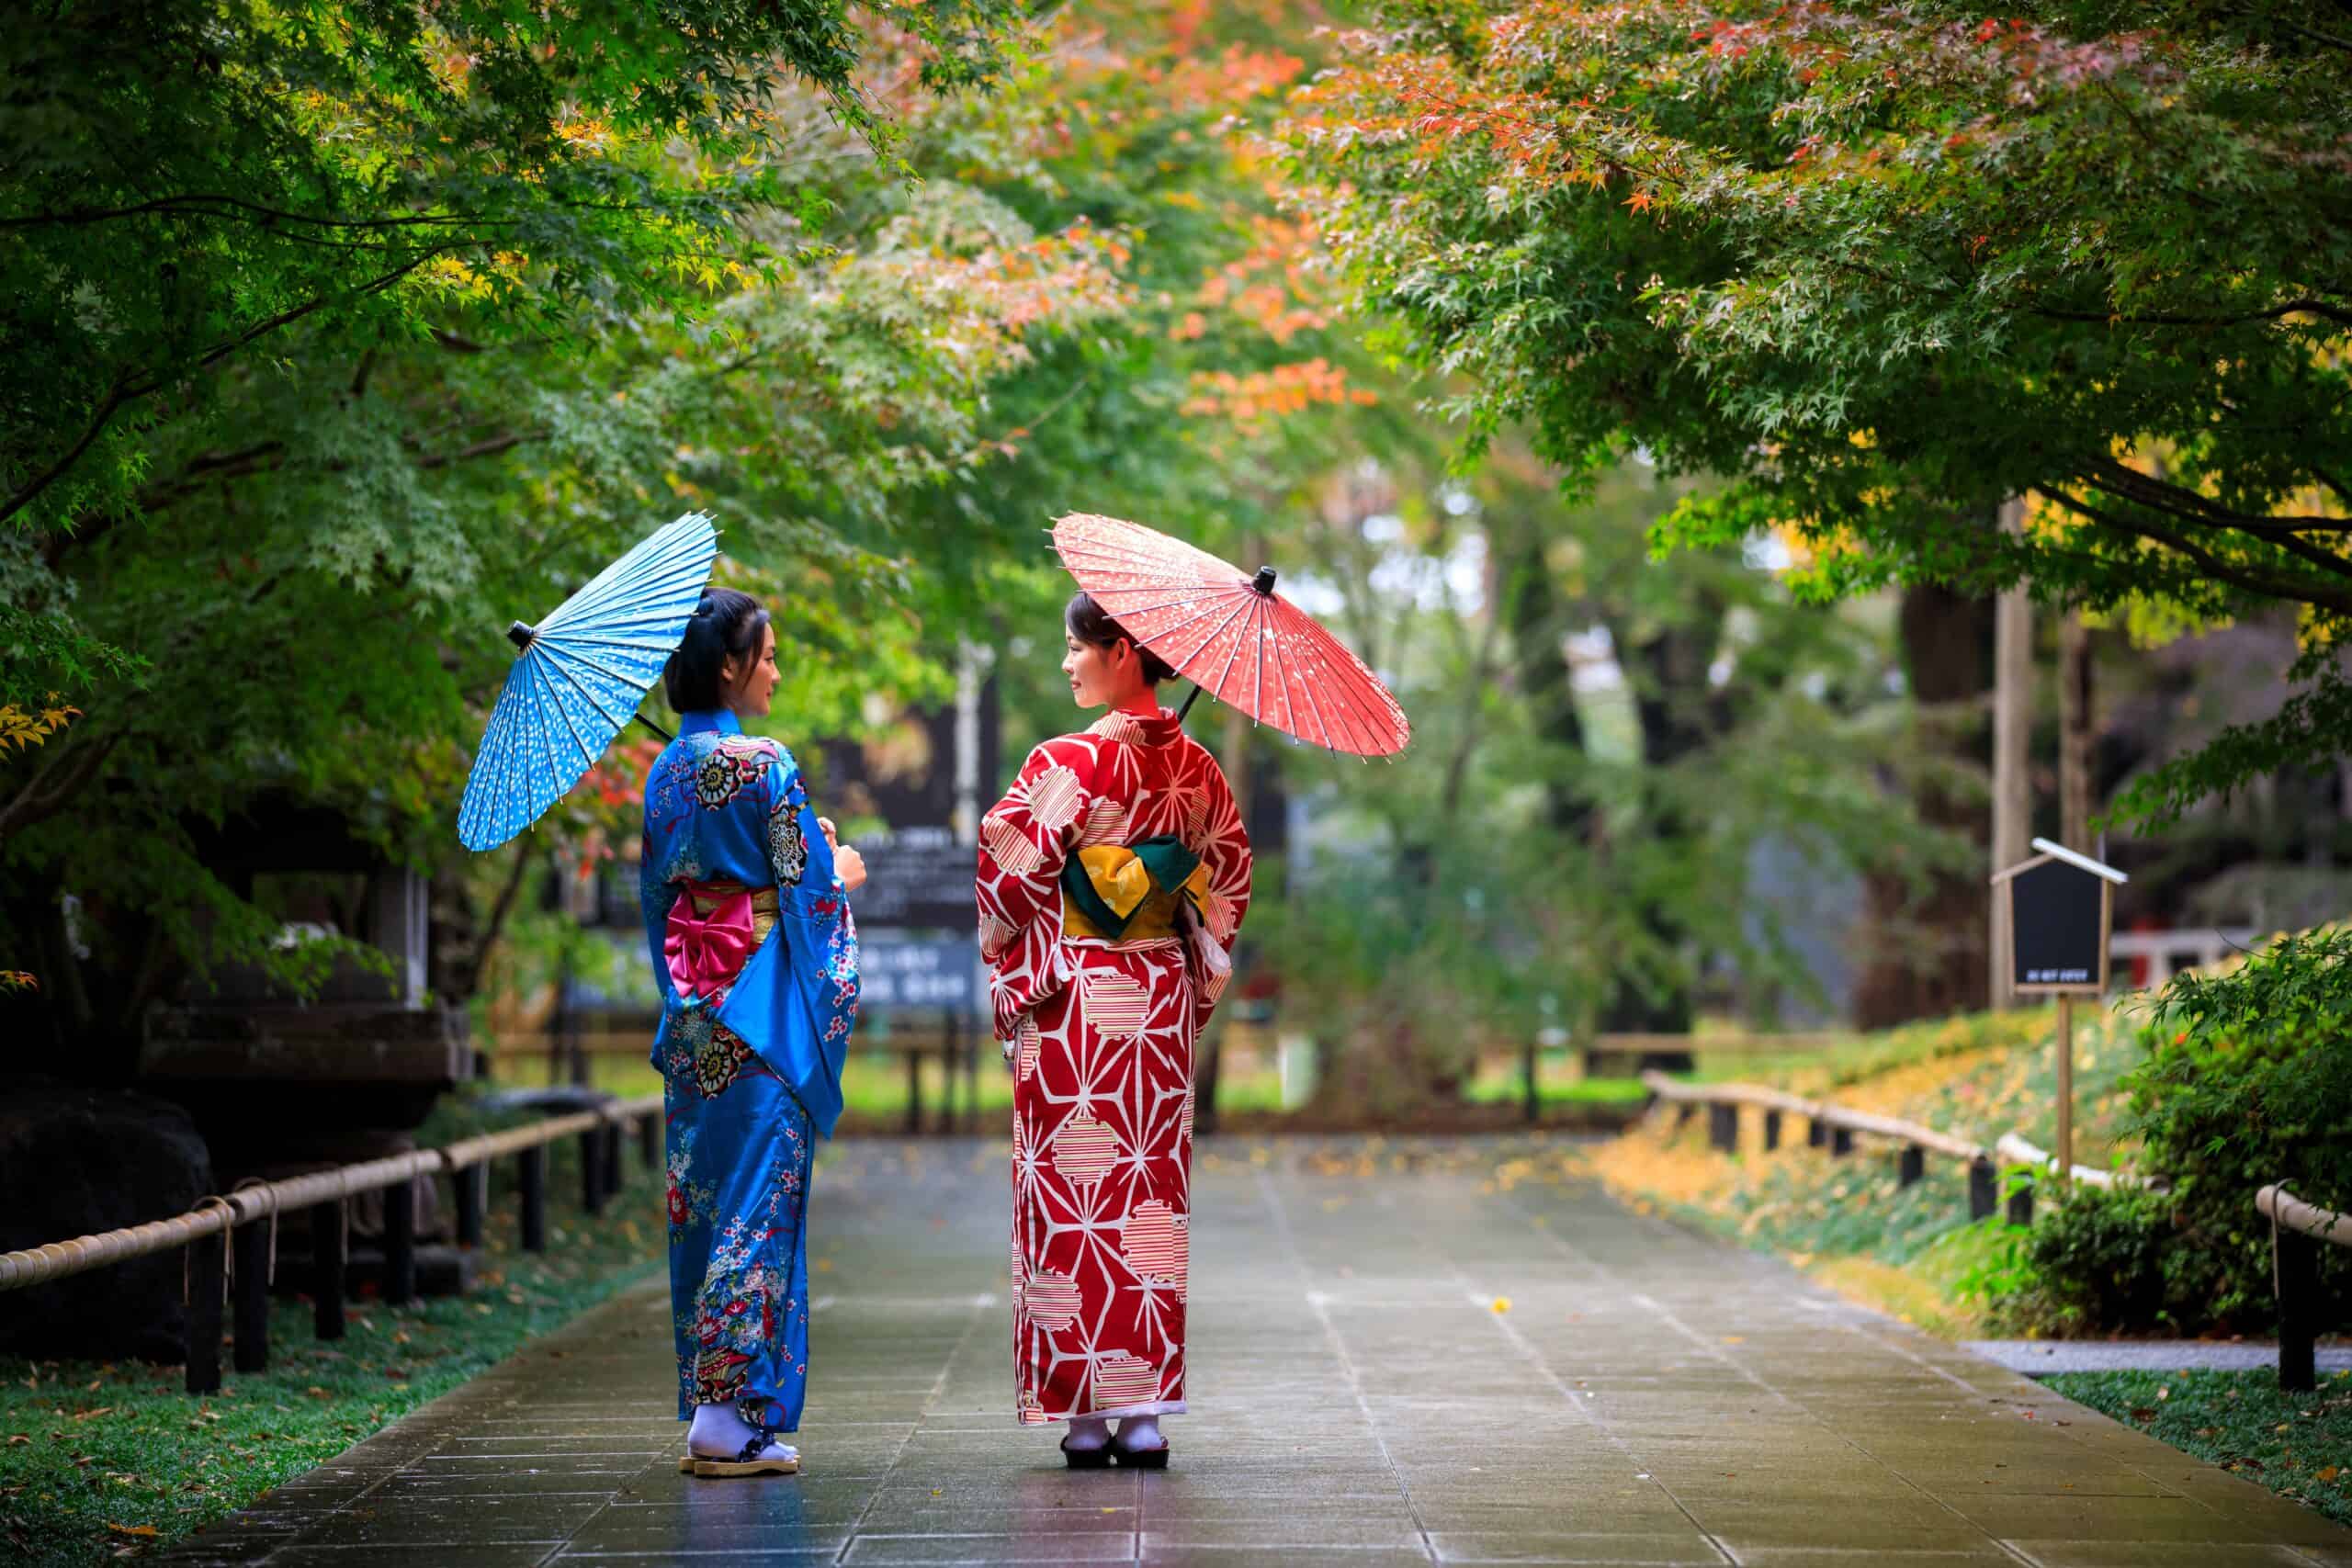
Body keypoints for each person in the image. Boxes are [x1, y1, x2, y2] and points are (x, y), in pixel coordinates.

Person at [975, 592, 1252, 1469]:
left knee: (1072, 1207)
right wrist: (1159, 893)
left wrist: (1074, 900)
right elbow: (1229, 876)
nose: (1068, 663)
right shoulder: (1202, 770)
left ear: (1124, 650)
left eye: (1076, 647)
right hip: (1159, 1009)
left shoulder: (1064, 761)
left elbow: (1006, 883)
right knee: (1147, 1205)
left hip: (1079, 1012)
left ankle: (1084, 1417)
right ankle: (1145, 1415)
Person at [639, 587, 865, 1479]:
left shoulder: (664, 771)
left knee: (700, 1205)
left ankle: (712, 1401)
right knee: (756, 1207)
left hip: (696, 1012)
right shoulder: (762, 759)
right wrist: (836, 867)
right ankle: (728, 1419)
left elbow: (658, 900)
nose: (774, 669)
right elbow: (808, 886)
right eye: (765, 654)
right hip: (761, 1011)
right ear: (730, 665)